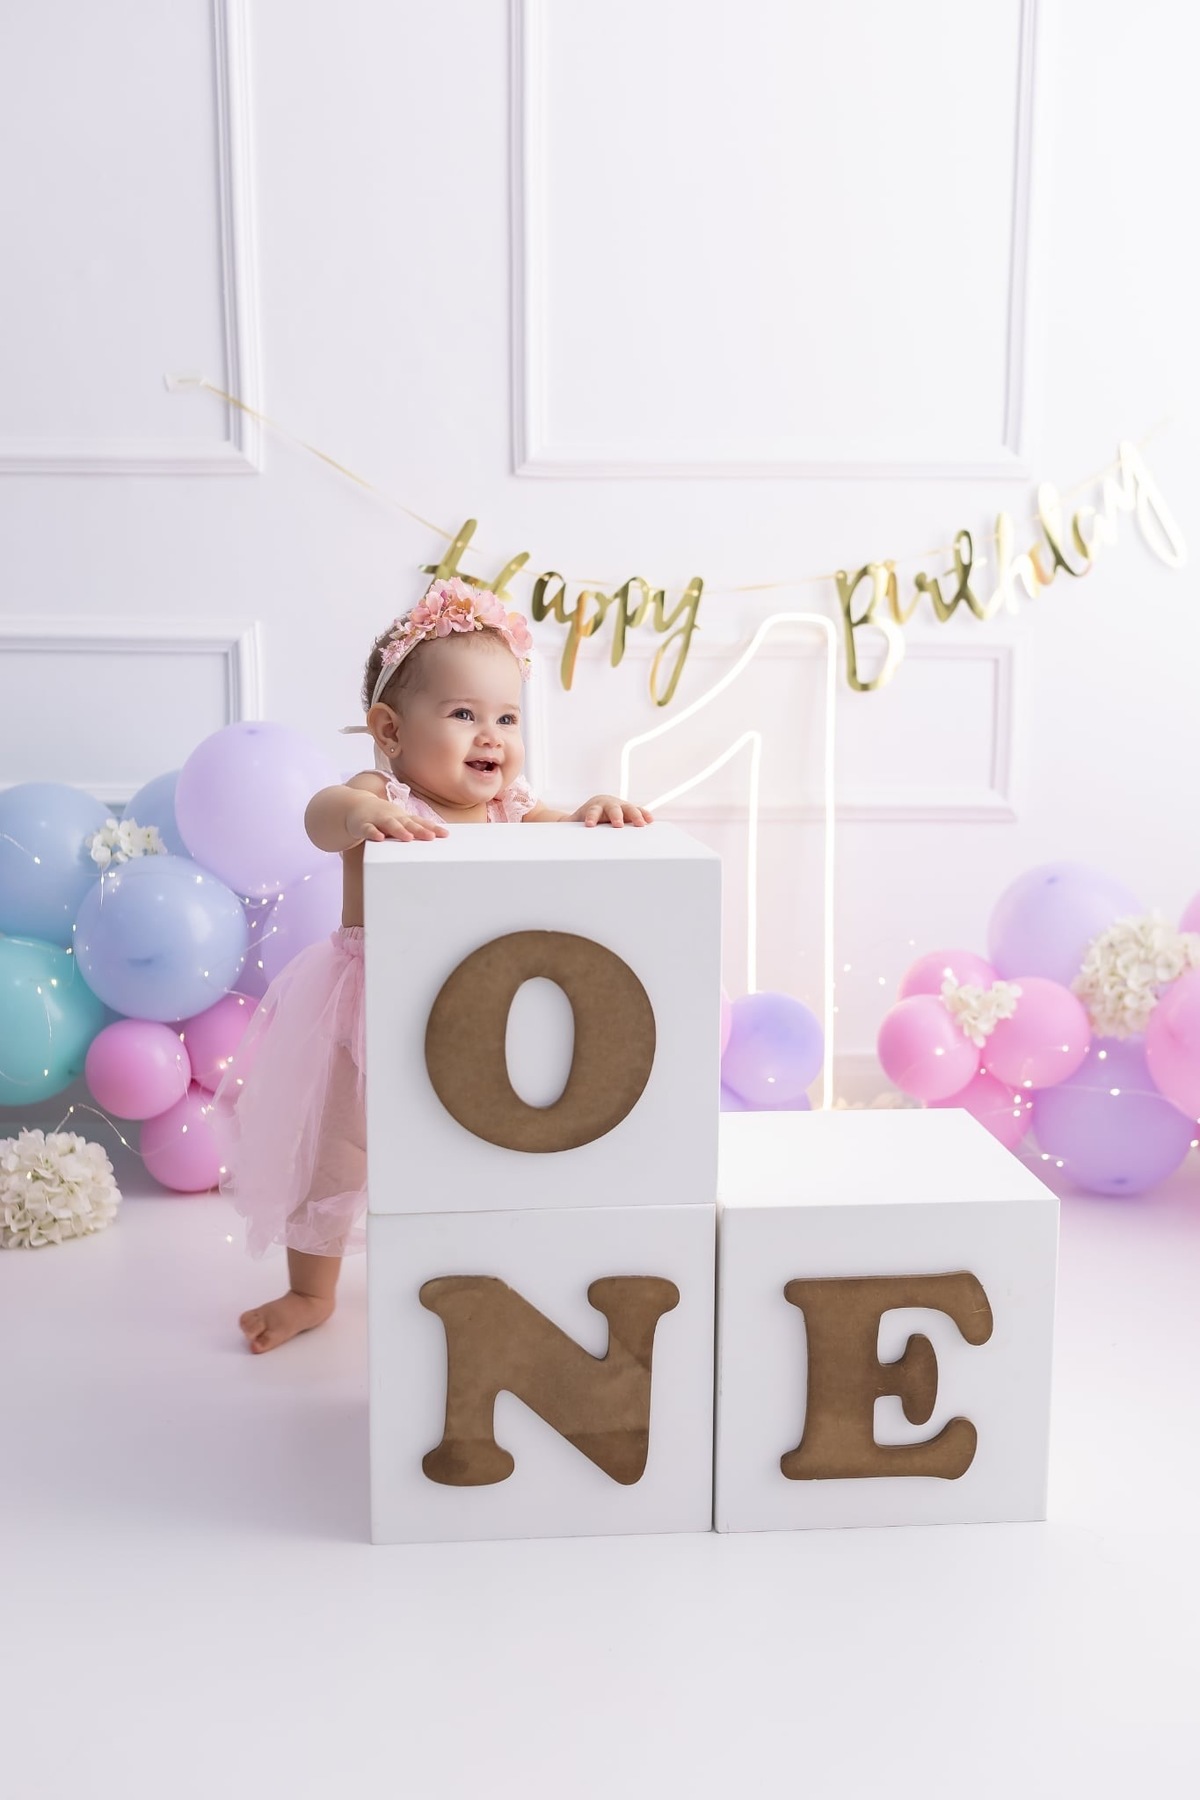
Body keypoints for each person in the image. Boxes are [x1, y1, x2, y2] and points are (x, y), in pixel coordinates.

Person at [219, 578, 653, 1353]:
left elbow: (564, 830)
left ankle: (478, 1276)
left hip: (473, 1011)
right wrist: (363, 815)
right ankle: (309, 1291)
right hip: (367, 1005)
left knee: (471, 1152)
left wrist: (593, 813)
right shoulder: (380, 795)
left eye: (507, 718)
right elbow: (321, 817)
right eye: (463, 714)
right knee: (335, 1155)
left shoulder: (510, 808)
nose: (492, 736)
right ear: (389, 729)